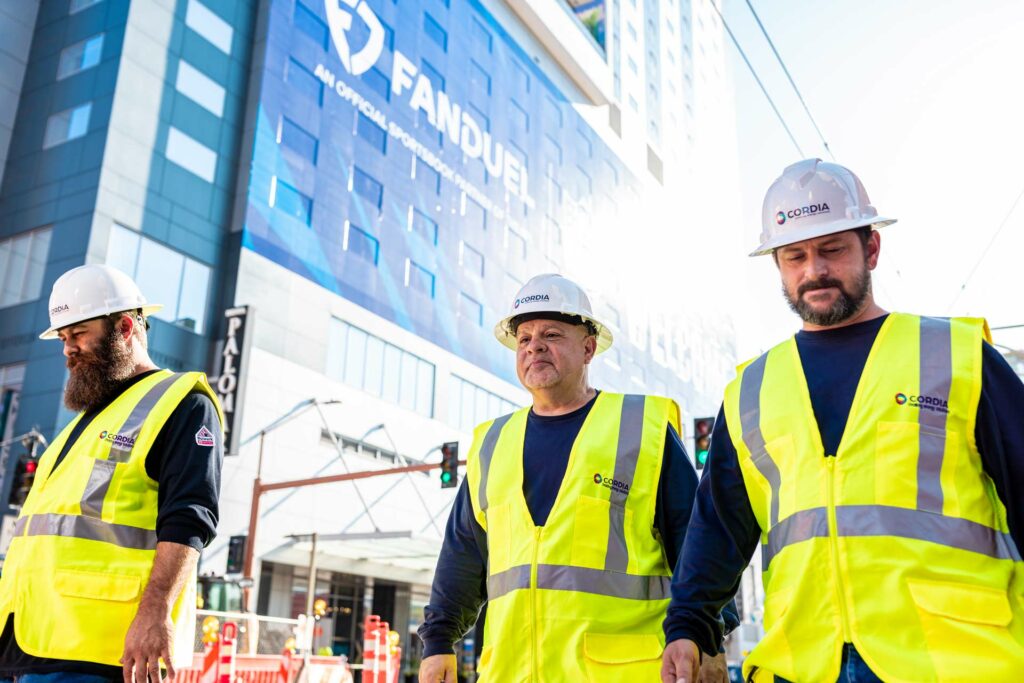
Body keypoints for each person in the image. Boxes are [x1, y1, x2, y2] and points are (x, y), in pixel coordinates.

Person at [661, 158, 1024, 683]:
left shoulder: (955, 355)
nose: (814, 271)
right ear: (778, 265)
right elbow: (718, 525)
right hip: (804, 660)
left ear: (871, 248)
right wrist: (689, 625)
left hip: (952, 660)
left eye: (832, 249)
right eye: (795, 256)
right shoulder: (751, 391)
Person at [418, 273, 733, 682]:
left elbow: (696, 542)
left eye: (551, 334)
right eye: (525, 338)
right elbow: (462, 556)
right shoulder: (492, 443)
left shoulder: (640, 429)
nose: (534, 346)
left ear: (588, 348)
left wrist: (708, 638)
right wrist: (438, 642)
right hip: (511, 673)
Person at [0, 264, 225, 683]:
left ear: (124, 327)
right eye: (63, 338)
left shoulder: (183, 404)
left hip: (102, 651)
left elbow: (190, 517)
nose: (68, 349)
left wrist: (155, 611)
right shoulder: (85, 422)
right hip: (30, 642)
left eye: (79, 333)